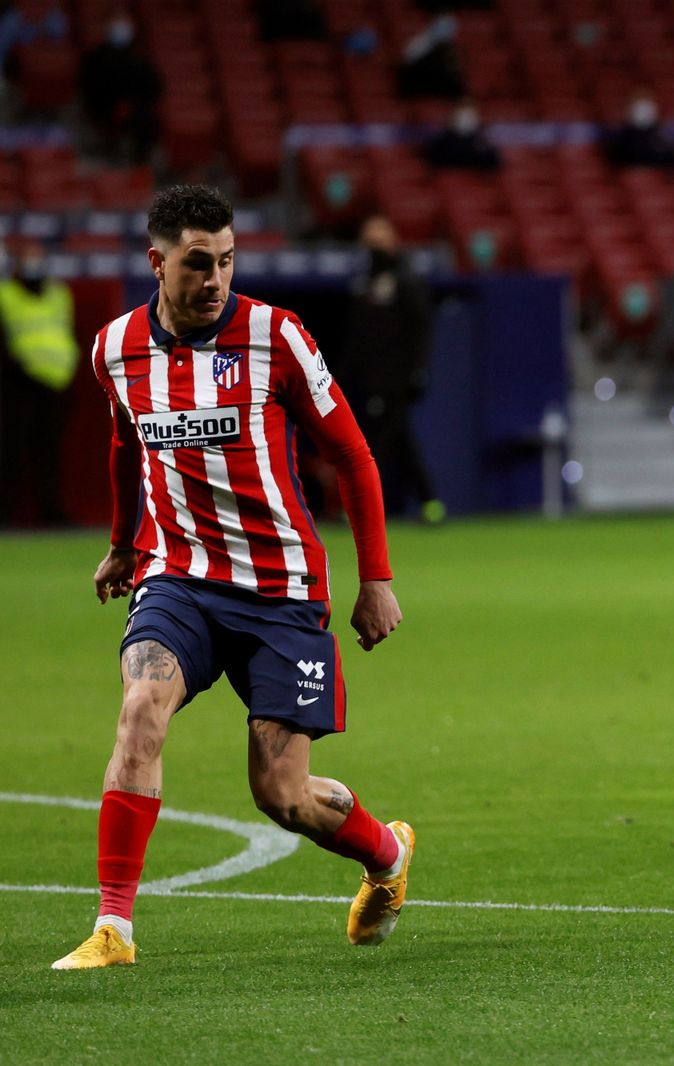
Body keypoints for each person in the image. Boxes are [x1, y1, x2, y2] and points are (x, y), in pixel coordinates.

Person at [52, 185, 414, 970]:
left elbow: (351, 455)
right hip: (179, 578)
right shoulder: (115, 348)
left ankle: (386, 856)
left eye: (226, 261)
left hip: (282, 592)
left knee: (281, 796)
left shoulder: (276, 337)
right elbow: (125, 448)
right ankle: (114, 929)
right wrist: (123, 544)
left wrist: (374, 578)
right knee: (141, 709)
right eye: (196, 263)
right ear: (156, 261)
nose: (214, 279)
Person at [344, 214, 444, 522]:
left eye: (378, 240)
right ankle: (430, 502)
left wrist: (418, 369)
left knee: (379, 444)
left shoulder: (406, 279)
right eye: (368, 241)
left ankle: (364, 509)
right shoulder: (363, 282)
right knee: (398, 442)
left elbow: (421, 328)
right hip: (370, 379)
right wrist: (345, 373)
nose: (373, 246)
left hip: (397, 378)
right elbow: (356, 334)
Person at [0, 239, 77, 525]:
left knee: (49, 455)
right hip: (18, 383)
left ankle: (51, 514)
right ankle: (6, 517)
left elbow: (67, 332)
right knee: (12, 453)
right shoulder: (5, 294)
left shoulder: (58, 293)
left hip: (56, 384)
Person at [76, 11, 162, 164]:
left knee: (146, 119)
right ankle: (108, 151)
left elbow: (153, 86)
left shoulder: (138, 56)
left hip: (134, 108)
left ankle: (139, 163)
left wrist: (131, 104)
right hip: (103, 105)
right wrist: (114, 105)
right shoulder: (96, 56)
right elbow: (88, 85)